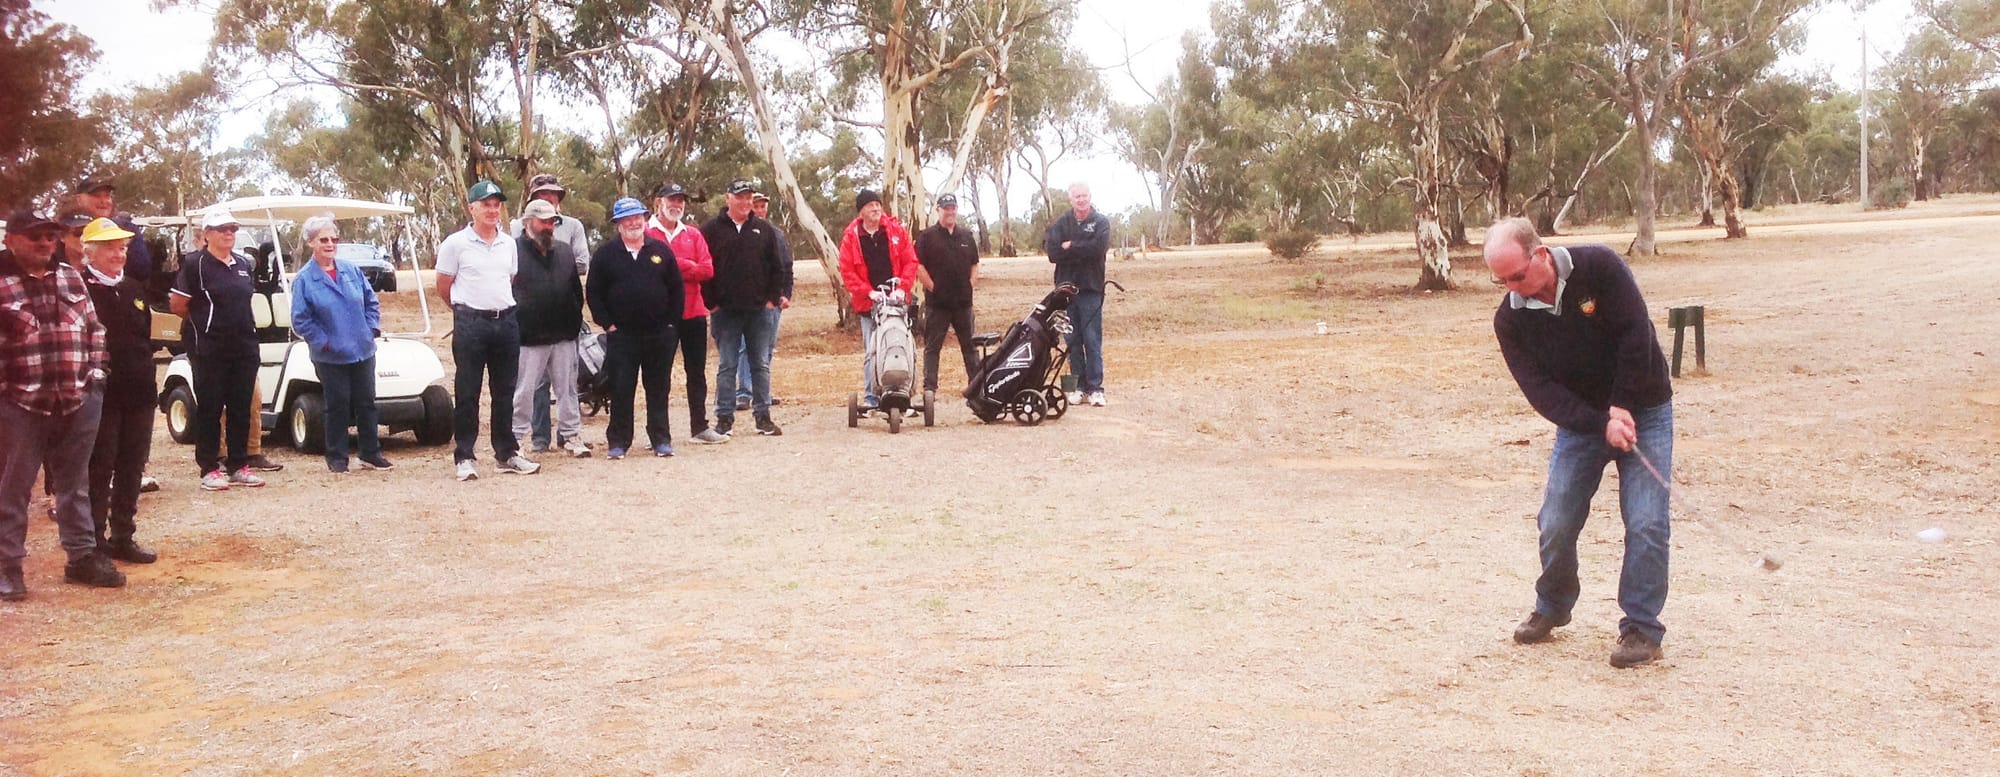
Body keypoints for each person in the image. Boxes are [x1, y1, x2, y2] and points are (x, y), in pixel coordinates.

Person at [1484, 217, 1674, 669]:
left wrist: (1623, 406)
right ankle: (1553, 604)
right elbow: (1542, 393)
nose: (1514, 287)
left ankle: (1642, 628)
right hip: (1584, 424)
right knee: (1556, 519)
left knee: (1647, 521)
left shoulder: (1600, 267)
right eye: (1502, 280)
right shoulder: (1510, 320)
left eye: (1518, 275)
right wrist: (1597, 422)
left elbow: (1636, 333)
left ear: (1541, 254)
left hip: (1644, 408)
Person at [0, 208, 125, 599]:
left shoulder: (70, 276)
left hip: (77, 398)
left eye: (49, 236)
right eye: (34, 235)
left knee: (76, 484)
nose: (44, 242)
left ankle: (81, 558)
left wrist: (97, 375)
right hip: (21, 404)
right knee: (13, 488)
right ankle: (8, 567)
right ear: (11, 240)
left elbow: (94, 328)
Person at [436, 181, 540, 481]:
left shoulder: (509, 243)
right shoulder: (455, 244)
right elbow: (444, 286)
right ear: (472, 208)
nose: (493, 210)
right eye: (486, 205)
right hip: (471, 324)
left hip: (505, 322)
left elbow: (509, 278)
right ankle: (465, 456)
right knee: (468, 392)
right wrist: (466, 311)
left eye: (497, 205)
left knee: (505, 391)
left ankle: (506, 453)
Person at [78, 218, 158, 564]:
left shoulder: (133, 289)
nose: (118, 253)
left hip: (139, 392)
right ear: (90, 252)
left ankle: (123, 535)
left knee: (132, 466)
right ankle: (93, 542)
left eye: (122, 247)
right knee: (100, 467)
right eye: (110, 247)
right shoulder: (80, 289)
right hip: (103, 395)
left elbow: (146, 336)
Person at [289, 214, 395, 474]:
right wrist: (323, 342)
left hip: (362, 349)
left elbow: (371, 301)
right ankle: (337, 456)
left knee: (367, 402)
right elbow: (300, 319)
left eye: (334, 239)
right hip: (330, 356)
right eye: (323, 240)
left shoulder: (351, 270)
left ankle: (370, 453)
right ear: (311, 242)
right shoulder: (304, 279)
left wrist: (371, 329)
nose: (330, 244)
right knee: (337, 405)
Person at [171, 211, 268, 491]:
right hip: (210, 348)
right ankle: (210, 467)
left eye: (232, 229)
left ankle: (239, 464)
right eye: (222, 229)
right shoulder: (194, 264)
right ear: (207, 233)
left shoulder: (242, 264)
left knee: (241, 406)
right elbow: (179, 304)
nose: (228, 233)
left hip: (243, 346)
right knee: (210, 408)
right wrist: (204, 327)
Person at [587, 197, 685, 459]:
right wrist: (607, 324)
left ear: (644, 218)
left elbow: (677, 290)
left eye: (637, 217)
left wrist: (671, 325)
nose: (633, 222)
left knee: (658, 389)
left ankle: (661, 439)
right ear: (618, 224)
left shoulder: (661, 250)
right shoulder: (605, 255)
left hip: (658, 335)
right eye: (627, 219)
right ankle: (618, 442)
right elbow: (594, 293)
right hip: (622, 337)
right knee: (621, 389)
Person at [700, 179, 790, 437]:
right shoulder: (711, 230)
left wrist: (773, 299)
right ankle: (724, 420)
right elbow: (705, 269)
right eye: (740, 197)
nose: (746, 202)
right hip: (726, 313)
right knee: (727, 365)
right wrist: (712, 304)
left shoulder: (764, 229)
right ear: (728, 198)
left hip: (760, 312)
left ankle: (763, 418)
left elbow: (778, 267)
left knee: (760, 364)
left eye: (749, 197)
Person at [509, 173, 590, 452]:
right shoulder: (513, 251)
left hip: (563, 334)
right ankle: (516, 439)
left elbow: (575, 291)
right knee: (524, 391)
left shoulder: (565, 251)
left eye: (552, 221)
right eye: (543, 221)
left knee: (567, 389)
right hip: (528, 335)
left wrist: (572, 322)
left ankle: (571, 436)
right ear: (528, 222)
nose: (548, 226)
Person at [646, 182, 727, 445]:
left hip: (693, 313)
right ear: (659, 201)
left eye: (681, 200)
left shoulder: (693, 234)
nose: (677, 205)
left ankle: (700, 427)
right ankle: (657, 432)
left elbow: (707, 270)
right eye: (672, 200)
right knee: (658, 375)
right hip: (659, 316)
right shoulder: (646, 232)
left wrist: (673, 266)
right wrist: (683, 264)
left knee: (696, 372)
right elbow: (647, 271)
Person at [837, 188, 918, 413]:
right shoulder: (852, 238)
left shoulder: (896, 231)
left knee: (901, 344)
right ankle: (872, 396)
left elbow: (910, 261)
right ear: (861, 211)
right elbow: (847, 271)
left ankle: (905, 392)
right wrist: (868, 292)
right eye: (870, 205)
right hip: (869, 304)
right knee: (872, 350)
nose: (876, 208)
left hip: (896, 302)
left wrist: (901, 288)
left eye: (878, 204)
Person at [1045, 181, 1111, 407]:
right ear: (1070, 199)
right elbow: (1052, 252)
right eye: (1077, 197)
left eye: (1084, 196)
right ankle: (1077, 388)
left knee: (1092, 340)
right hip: (1066, 291)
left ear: (1090, 197)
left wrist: (1070, 246)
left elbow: (1097, 250)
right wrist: (1078, 247)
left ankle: (1096, 388)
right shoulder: (1062, 222)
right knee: (1072, 340)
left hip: (1091, 289)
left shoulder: (1101, 222)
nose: (1081, 200)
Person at [914, 193, 980, 397]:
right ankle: (930, 390)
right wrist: (932, 287)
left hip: (963, 303)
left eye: (953, 208)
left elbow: (974, 263)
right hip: (938, 304)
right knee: (932, 348)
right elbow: (918, 265)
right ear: (938, 210)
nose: (950, 212)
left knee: (970, 347)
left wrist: (970, 284)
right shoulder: (926, 237)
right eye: (946, 208)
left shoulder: (966, 236)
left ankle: (977, 387)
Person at [735, 191, 792, 411]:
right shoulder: (738, 232)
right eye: (755, 206)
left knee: (766, 346)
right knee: (743, 347)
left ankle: (762, 391)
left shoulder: (774, 234)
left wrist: (785, 293)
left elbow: (786, 266)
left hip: (771, 300)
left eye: (762, 206)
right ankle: (743, 392)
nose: (759, 210)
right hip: (747, 301)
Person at [70, 174, 153, 282]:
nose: (103, 201)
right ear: (79, 199)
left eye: (107, 196)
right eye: (96, 195)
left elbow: (142, 270)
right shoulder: (67, 228)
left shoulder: (126, 228)